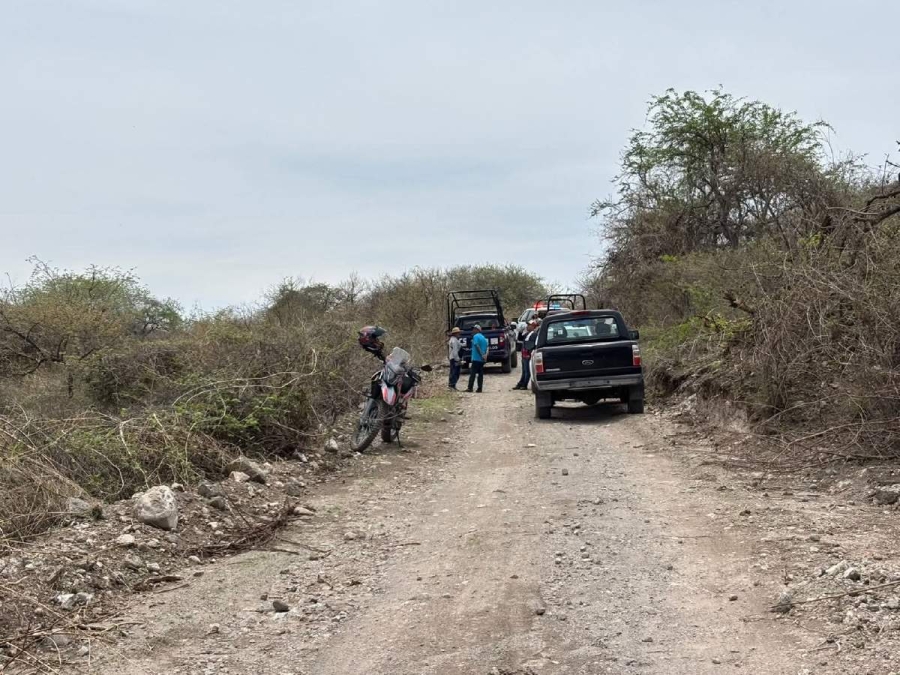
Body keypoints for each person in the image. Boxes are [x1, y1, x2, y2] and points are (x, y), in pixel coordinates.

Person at [513, 319, 539, 390]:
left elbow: (531, 345)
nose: (527, 326)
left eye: (529, 325)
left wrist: (529, 353)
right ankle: (521, 383)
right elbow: (520, 338)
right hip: (524, 355)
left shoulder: (534, 334)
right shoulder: (528, 333)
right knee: (524, 370)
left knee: (527, 371)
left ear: (533, 326)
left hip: (528, 355)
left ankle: (524, 384)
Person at [466, 324, 489, 393]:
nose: (473, 330)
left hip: (476, 358)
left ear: (477, 330)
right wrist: (485, 356)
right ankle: (479, 388)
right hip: (482, 360)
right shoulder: (484, 338)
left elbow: (477, 346)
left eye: (474, 329)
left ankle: (470, 388)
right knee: (480, 374)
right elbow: (487, 348)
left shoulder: (475, 336)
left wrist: (481, 354)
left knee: (472, 373)